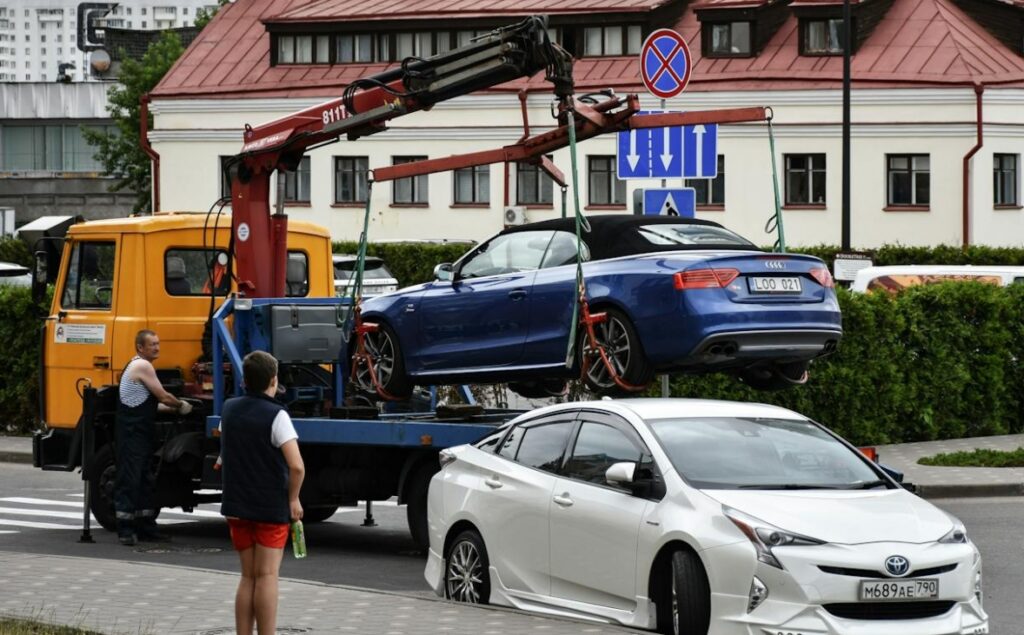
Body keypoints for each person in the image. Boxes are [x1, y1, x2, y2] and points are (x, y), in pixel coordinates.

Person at [219, 350, 305, 635]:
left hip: (236, 505)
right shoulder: (277, 415)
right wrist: (293, 499)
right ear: (273, 379)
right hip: (269, 507)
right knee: (267, 576)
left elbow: (224, 449)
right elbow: (297, 467)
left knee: (247, 577)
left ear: (245, 381)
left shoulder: (229, 409)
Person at [115, 329, 193, 546]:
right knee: (131, 479)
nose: (157, 348)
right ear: (140, 347)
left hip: (138, 432)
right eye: (153, 345)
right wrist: (181, 406)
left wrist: (171, 409)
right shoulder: (142, 365)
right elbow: (163, 396)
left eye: (158, 343)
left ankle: (146, 527)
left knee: (144, 479)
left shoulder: (136, 365)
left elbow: (149, 404)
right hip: (133, 434)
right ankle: (126, 530)